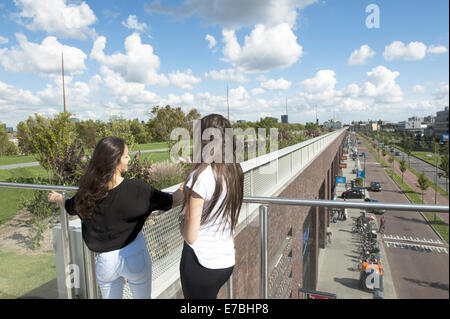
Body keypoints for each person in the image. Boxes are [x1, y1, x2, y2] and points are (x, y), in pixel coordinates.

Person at [48, 136, 183, 299]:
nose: (129, 159)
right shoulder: (137, 189)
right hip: (134, 255)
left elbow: (70, 207)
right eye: (126, 156)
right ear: (115, 161)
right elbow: (173, 201)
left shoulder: (87, 192)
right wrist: (187, 185)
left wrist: (57, 198)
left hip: (105, 263)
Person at [178, 114, 244, 299]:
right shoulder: (235, 171)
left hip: (201, 263)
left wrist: (180, 221)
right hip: (225, 262)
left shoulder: (200, 177)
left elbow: (191, 236)